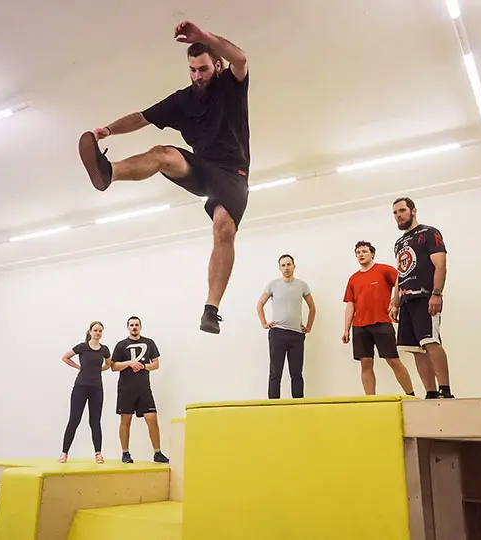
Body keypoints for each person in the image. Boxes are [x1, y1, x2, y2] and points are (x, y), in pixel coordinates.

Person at [78, 21, 250, 335]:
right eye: (192, 70)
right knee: (162, 154)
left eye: (203, 69)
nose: (197, 76)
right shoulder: (184, 100)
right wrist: (108, 130)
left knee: (223, 226)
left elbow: (240, 58)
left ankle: (211, 310)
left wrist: (204, 37)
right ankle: (109, 172)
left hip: (233, 172)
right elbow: (142, 117)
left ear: (217, 66)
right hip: (201, 168)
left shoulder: (231, 85)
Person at [389, 197, 454, 399]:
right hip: (406, 300)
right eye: (395, 213)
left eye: (402, 210)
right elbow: (401, 273)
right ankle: (431, 392)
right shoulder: (399, 243)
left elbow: (440, 265)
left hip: (425, 297)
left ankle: (445, 390)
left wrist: (436, 294)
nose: (399, 215)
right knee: (415, 348)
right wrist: (395, 301)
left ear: (413, 211)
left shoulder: (429, 233)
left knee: (430, 341)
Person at [342, 241, 415, 396]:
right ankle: (370, 400)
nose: (361, 254)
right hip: (360, 326)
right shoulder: (353, 279)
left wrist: (395, 301)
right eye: (358, 252)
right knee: (365, 363)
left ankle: (411, 395)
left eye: (364, 251)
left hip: (381, 322)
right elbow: (350, 304)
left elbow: (401, 280)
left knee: (393, 360)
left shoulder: (384, 270)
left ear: (372, 254)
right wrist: (346, 329)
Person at [257, 254, 316, 399]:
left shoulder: (302, 285)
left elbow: (312, 307)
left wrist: (308, 326)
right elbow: (260, 304)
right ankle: (273, 406)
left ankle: (298, 405)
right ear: (279, 268)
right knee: (275, 373)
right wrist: (264, 323)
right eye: (283, 265)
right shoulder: (273, 285)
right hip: (277, 333)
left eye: (289, 264)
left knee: (296, 373)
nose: (286, 268)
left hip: (296, 335)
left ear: (294, 266)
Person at [111, 316, 169, 463]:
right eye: (131, 325)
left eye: (136, 325)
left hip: (144, 389)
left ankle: (157, 453)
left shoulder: (149, 343)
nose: (134, 327)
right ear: (128, 327)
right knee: (125, 421)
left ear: (140, 326)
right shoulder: (121, 345)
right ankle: (125, 453)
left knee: (152, 419)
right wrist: (129, 363)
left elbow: (156, 364)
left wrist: (143, 366)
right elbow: (113, 366)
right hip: (126, 389)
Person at [59, 321, 112, 464]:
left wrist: (100, 369)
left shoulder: (104, 349)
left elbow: (109, 364)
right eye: (95, 330)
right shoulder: (82, 347)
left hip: (96, 389)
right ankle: (64, 453)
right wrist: (79, 367)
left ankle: (98, 454)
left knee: (95, 421)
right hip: (80, 388)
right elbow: (65, 357)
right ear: (90, 332)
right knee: (74, 420)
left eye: (100, 331)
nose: (98, 333)